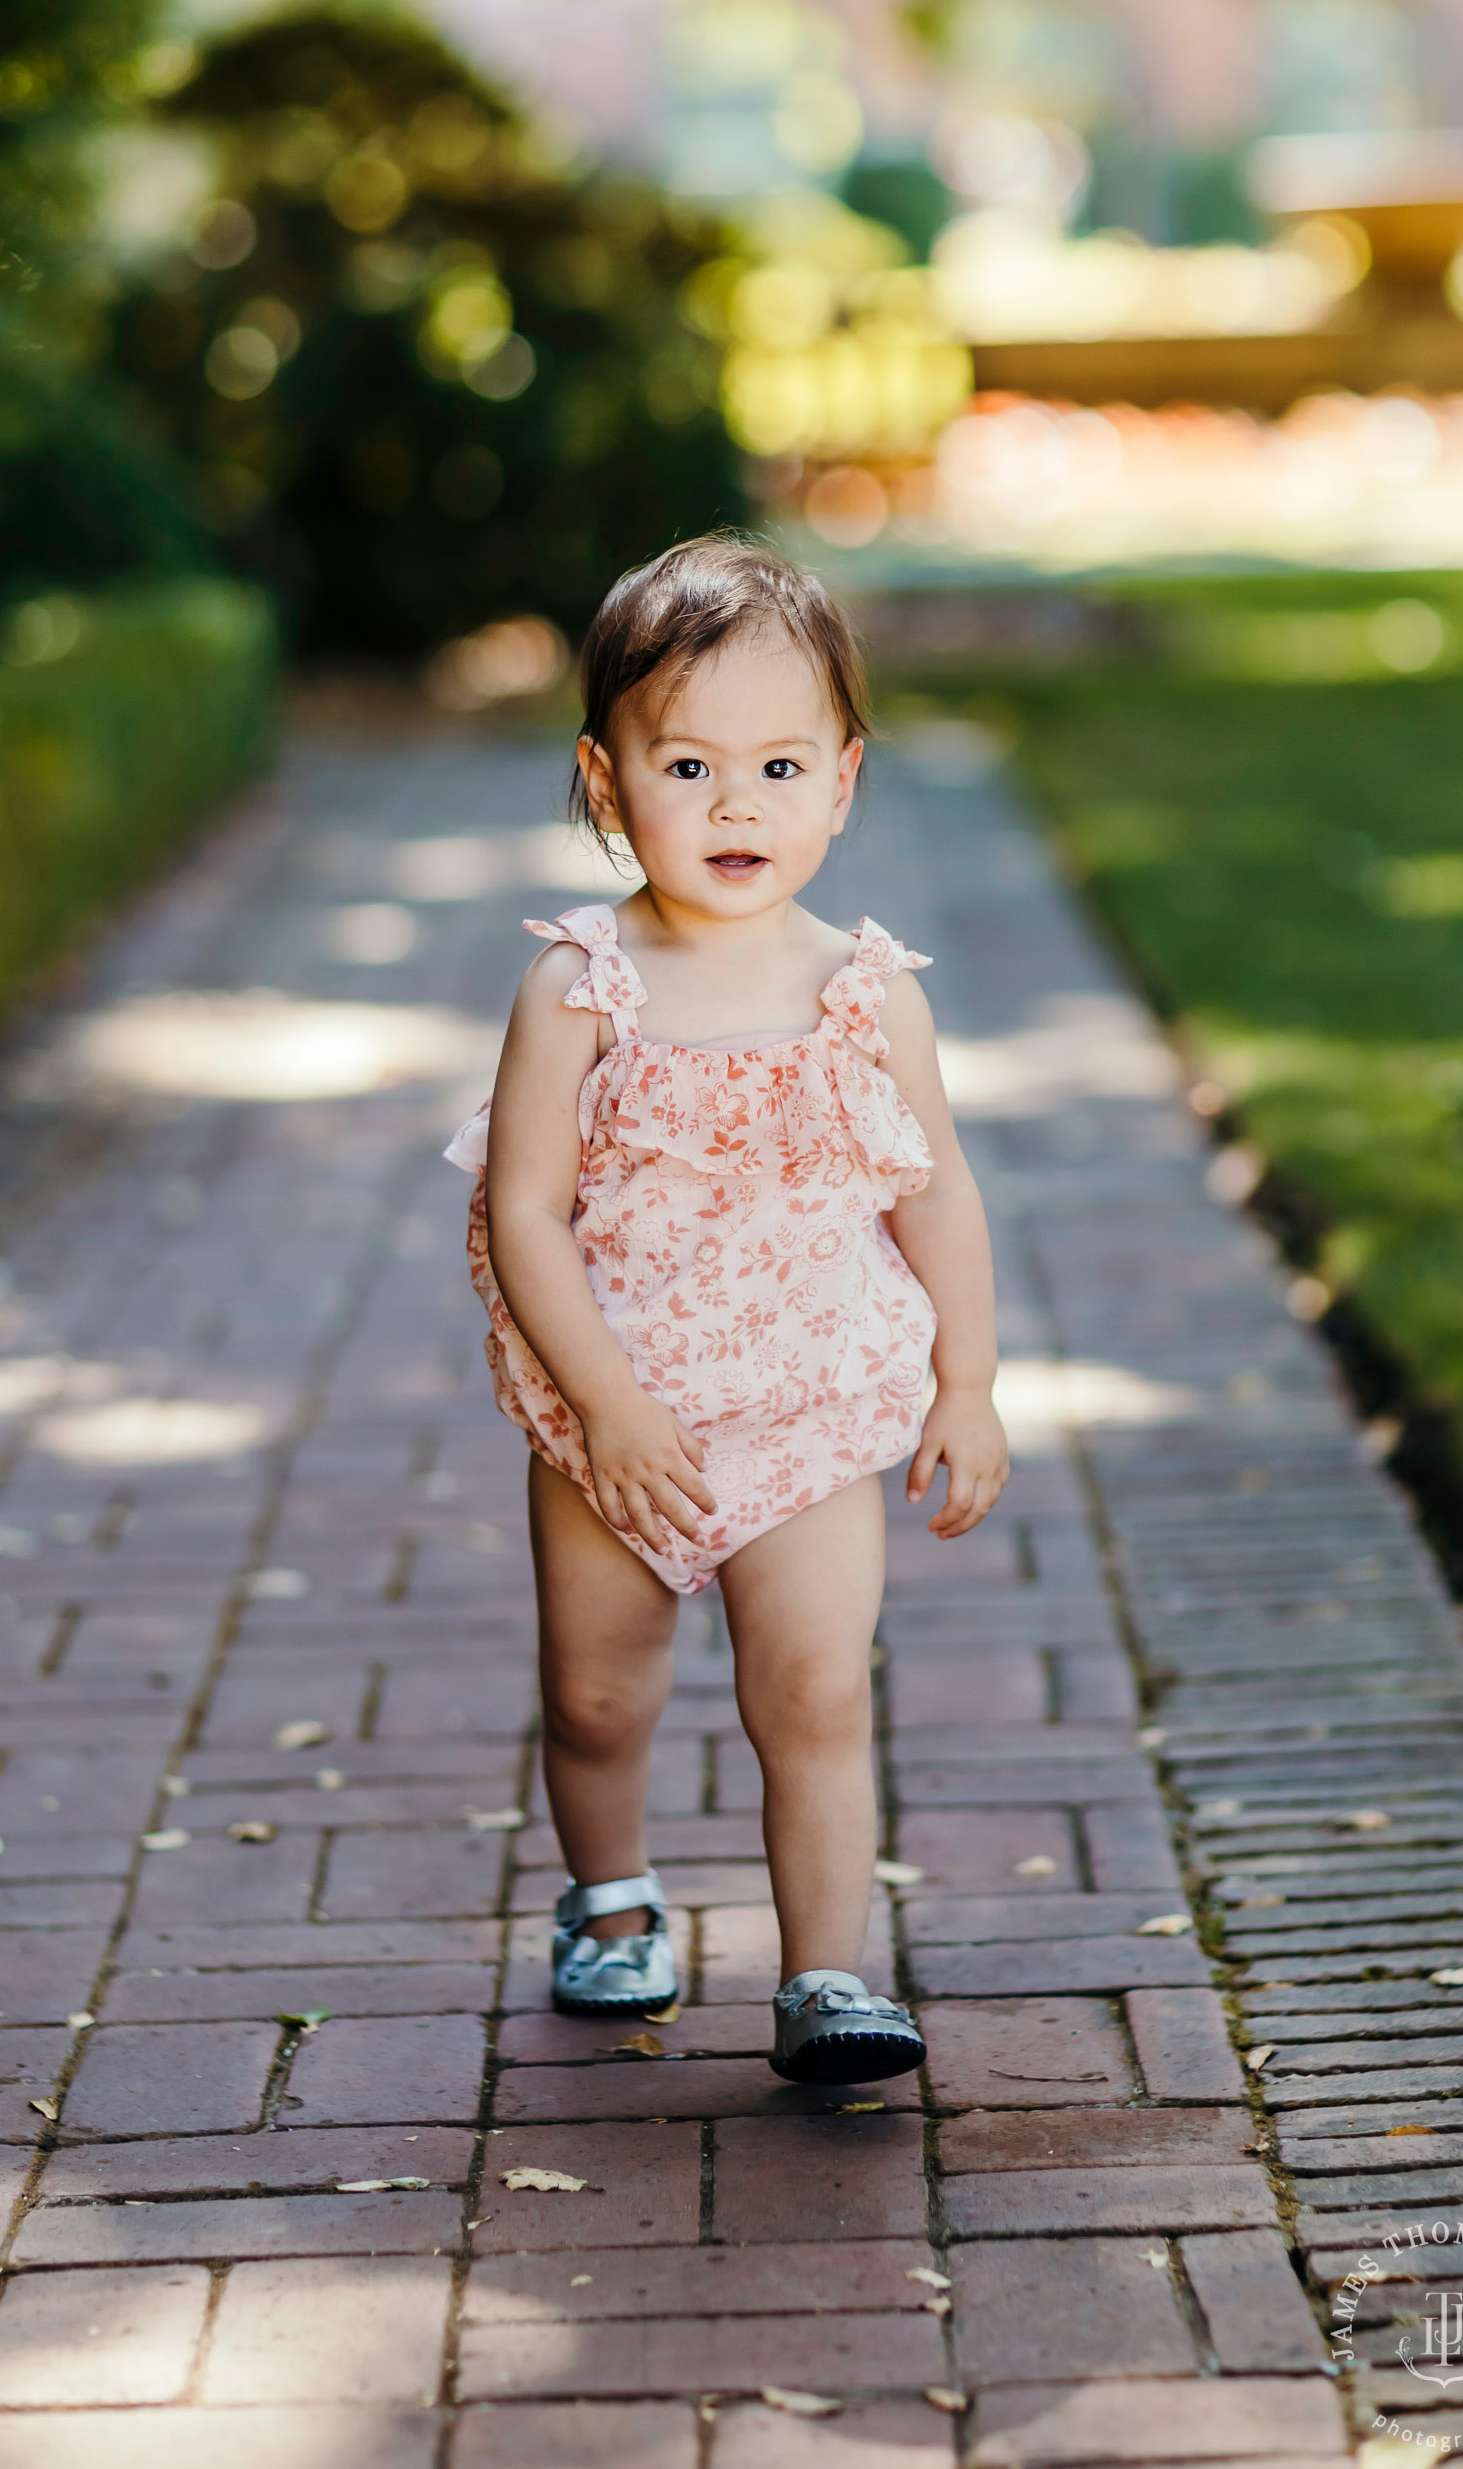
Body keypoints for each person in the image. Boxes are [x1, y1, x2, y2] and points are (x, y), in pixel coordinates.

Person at [446, 534, 1009, 2084]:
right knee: (598, 1692)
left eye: (778, 763)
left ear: (843, 781)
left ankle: (828, 1972)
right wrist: (609, 1407)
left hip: (812, 1399)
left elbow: (936, 1191)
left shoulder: (867, 990)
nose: (736, 803)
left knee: (815, 1689)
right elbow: (523, 1209)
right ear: (605, 782)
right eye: (686, 763)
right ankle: (611, 1899)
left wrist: (967, 1380)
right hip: (620, 1405)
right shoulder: (579, 986)